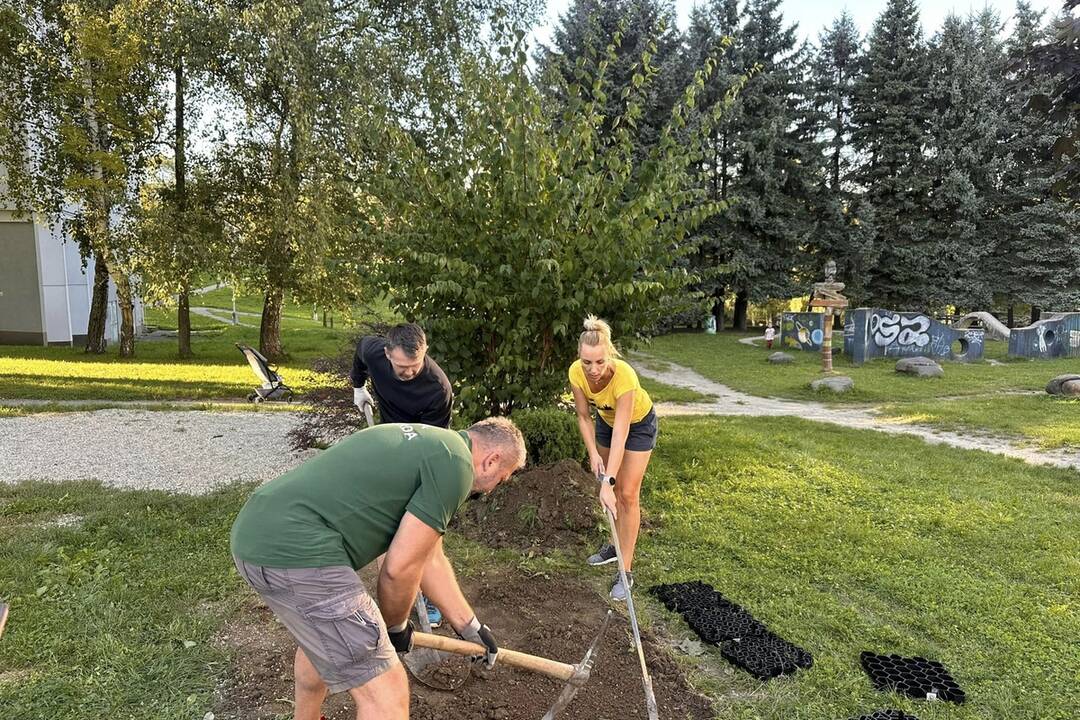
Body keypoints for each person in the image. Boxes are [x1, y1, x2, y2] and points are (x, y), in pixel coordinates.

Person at [230, 417, 526, 720]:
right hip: (298, 552)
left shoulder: (435, 446)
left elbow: (428, 558)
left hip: (257, 535)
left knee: (322, 636)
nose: (491, 491)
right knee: (388, 692)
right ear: (491, 461)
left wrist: (470, 627)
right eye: (501, 479)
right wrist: (395, 627)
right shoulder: (456, 466)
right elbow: (399, 568)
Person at [351, 322, 453, 626]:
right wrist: (359, 387)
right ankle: (398, 597)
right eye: (402, 366)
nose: (409, 372)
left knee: (422, 531)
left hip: (421, 450)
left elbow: (434, 445)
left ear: (425, 353)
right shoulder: (374, 352)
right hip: (387, 440)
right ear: (387, 354)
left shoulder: (436, 388)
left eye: (415, 364)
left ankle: (431, 595)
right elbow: (360, 352)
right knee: (387, 525)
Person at [568, 316, 657, 601]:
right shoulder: (576, 373)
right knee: (611, 492)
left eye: (599, 362)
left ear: (610, 355)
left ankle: (625, 569)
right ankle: (612, 545)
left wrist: (607, 481)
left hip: (638, 425)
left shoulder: (625, 376)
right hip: (605, 423)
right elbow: (583, 416)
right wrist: (593, 453)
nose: (593, 370)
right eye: (586, 362)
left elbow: (623, 433)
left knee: (626, 493)